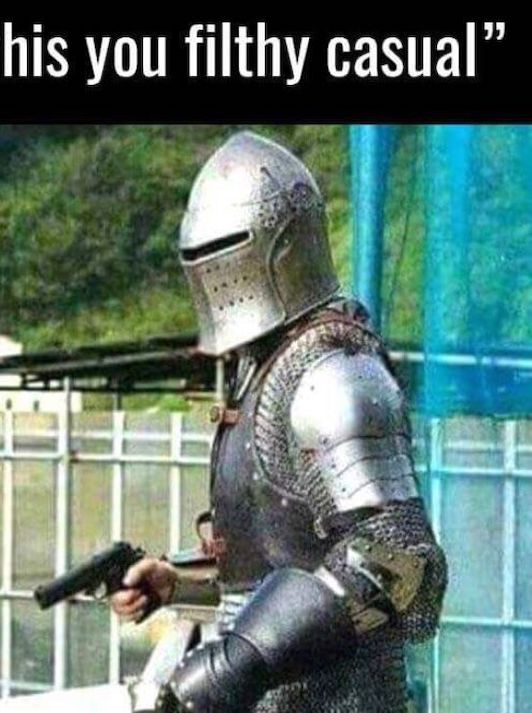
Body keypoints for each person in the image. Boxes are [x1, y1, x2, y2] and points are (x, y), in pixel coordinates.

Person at [111, 131, 447, 712]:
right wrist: (179, 582)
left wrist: (239, 661)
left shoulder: (334, 374)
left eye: (227, 246)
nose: (215, 270)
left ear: (287, 241)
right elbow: (281, 564)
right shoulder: (262, 369)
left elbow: (403, 564)